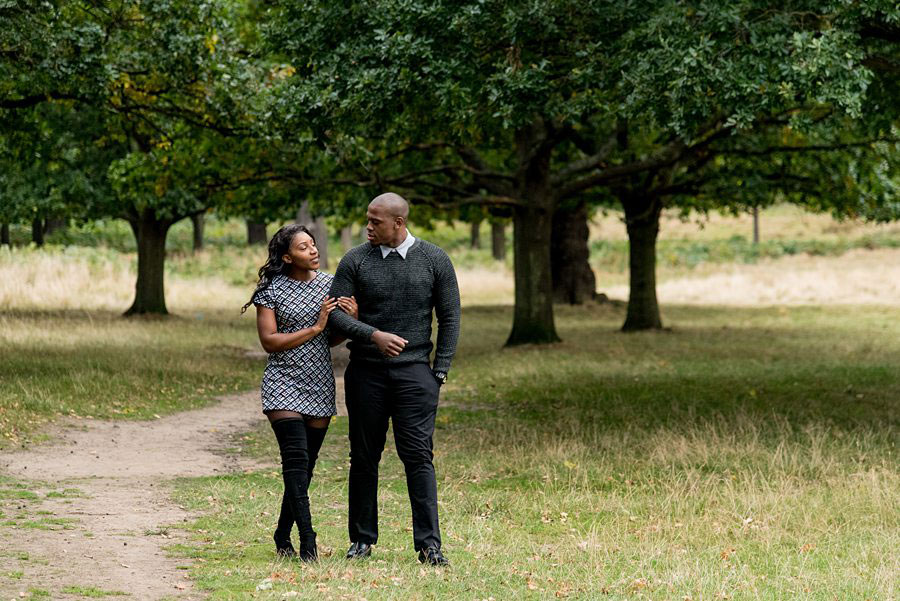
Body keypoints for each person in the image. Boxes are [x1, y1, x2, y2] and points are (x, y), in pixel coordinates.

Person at [328, 192, 461, 566]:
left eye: (375, 221)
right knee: (364, 456)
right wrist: (372, 334)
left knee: (418, 456)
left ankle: (429, 545)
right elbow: (334, 317)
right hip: (366, 372)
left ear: (398, 223)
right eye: (367, 220)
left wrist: (439, 371)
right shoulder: (355, 260)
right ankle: (361, 539)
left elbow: (450, 317)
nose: (368, 227)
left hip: (416, 373)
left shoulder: (435, 260)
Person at [242, 224, 357, 562]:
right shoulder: (271, 290)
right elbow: (270, 342)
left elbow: (332, 339)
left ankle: (281, 532)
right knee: (294, 461)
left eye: (314, 244)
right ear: (288, 256)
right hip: (283, 381)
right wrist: (316, 327)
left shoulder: (330, 285)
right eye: (305, 247)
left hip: (319, 382)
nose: (314, 250)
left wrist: (351, 318)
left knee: (305, 468)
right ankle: (308, 539)